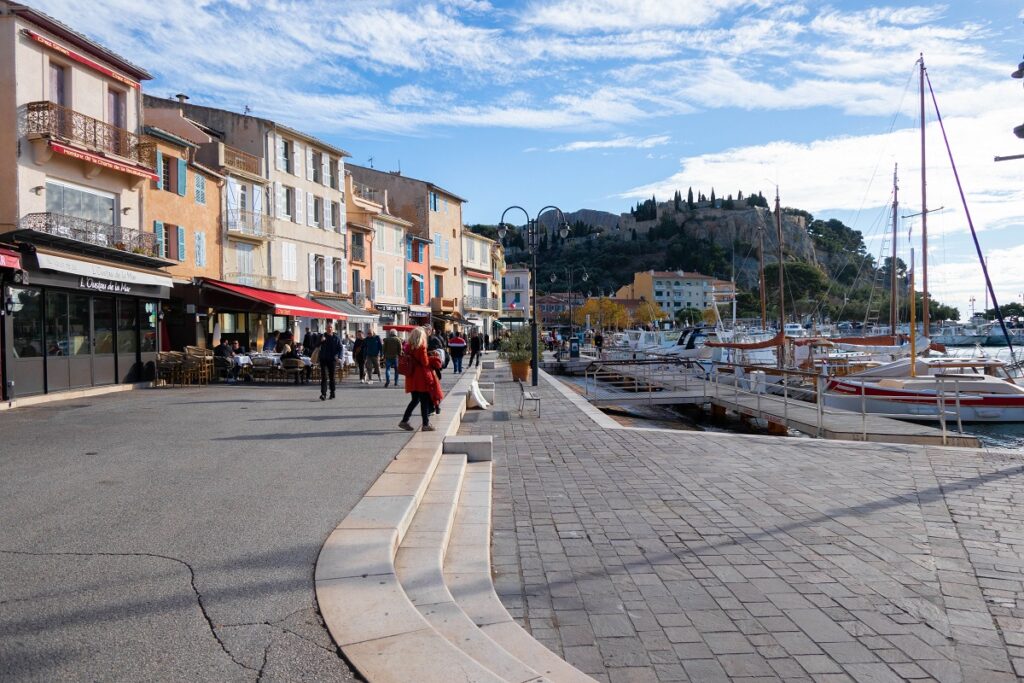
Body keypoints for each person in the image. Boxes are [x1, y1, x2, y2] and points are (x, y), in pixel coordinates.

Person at [398, 327, 442, 432]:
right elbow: (425, 362)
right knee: (424, 401)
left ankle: (404, 421)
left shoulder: (408, 347)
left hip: (412, 377)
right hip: (421, 377)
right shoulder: (421, 347)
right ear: (421, 336)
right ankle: (425, 424)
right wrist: (432, 357)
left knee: (414, 400)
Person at [318, 324, 342, 400]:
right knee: (324, 377)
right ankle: (323, 394)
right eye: (328, 327)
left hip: (332, 360)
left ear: (333, 329)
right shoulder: (322, 336)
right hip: (323, 359)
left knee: (332, 377)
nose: (329, 329)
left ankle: (332, 392)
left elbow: (340, 348)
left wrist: (339, 357)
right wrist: (321, 341)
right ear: (325, 328)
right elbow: (315, 345)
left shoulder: (336, 338)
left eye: (331, 327)